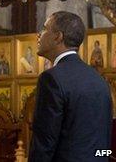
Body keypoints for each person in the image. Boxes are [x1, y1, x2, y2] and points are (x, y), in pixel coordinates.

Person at [29, 11, 112, 161]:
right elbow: (104, 142)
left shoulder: (52, 79)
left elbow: (44, 143)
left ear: (58, 37)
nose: (39, 35)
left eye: (44, 28)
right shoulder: (99, 80)